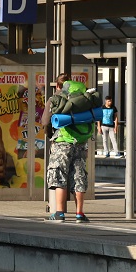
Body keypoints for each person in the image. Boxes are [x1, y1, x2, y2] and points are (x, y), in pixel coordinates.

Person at [41, 74, 95, 223]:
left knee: (60, 175)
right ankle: (80, 214)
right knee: (78, 175)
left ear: (58, 86)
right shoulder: (82, 98)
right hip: (81, 143)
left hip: (62, 142)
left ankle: (59, 213)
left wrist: (50, 132)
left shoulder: (55, 99)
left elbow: (45, 121)